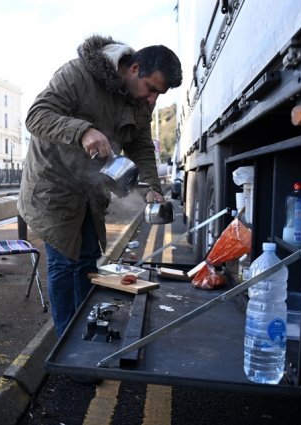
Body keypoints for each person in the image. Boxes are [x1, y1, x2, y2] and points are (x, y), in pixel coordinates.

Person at [18, 35, 182, 338]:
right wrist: (83, 131)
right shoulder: (78, 73)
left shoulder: (140, 101)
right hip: (52, 184)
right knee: (66, 264)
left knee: (87, 260)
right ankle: (67, 343)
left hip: (91, 187)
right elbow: (36, 116)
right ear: (134, 68)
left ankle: (84, 331)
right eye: (152, 89)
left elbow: (143, 147)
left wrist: (152, 187)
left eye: (160, 94)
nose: (153, 100)